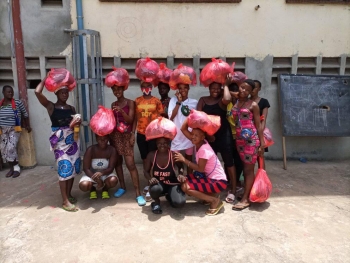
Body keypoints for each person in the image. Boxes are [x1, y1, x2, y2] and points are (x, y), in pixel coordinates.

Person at [35, 77, 81, 212]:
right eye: (62, 92)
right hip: (60, 143)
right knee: (63, 167)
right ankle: (65, 201)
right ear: (56, 93)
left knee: (72, 168)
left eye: (66, 92)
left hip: (72, 141)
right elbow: (37, 92)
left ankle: (69, 194)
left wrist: (76, 123)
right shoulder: (51, 106)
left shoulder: (71, 108)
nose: (65, 95)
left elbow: (74, 125)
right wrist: (45, 79)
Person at [174, 118, 228, 216]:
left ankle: (214, 200)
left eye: (196, 135)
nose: (193, 137)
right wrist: (190, 116)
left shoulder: (204, 150)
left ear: (203, 137)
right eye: (192, 134)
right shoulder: (199, 142)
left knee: (186, 187)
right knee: (185, 179)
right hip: (210, 178)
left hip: (218, 182)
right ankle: (209, 195)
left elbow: (200, 169)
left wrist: (184, 160)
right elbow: (183, 129)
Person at [197, 81, 237, 204]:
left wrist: (225, 84)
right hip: (209, 137)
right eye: (212, 88)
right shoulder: (203, 100)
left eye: (217, 88)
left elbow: (227, 97)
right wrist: (208, 134)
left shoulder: (223, 101)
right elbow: (198, 118)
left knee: (229, 162)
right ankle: (209, 190)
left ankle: (233, 190)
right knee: (208, 165)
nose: (215, 90)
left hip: (224, 136)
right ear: (209, 89)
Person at [230, 79, 265, 211]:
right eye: (242, 88)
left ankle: (246, 199)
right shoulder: (237, 101)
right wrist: (227, 84)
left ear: (251, 92)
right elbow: (228, 93)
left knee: (248, 170)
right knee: (245, 168)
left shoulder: (253, 105)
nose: (243, 91)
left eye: (247, 90)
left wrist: (262, 144)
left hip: (251, 140)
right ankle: (247, 193)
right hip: (239, 140)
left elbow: (258, 125)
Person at [109, 84, 146, 206]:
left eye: (119, 89)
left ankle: (138, 193)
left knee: (130, 164)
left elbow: (131, 120)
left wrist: (132, 135)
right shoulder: (113, 104)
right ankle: (122, 187)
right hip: (116, 136)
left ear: (123, 89)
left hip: (127, 135)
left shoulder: (130, 103)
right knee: (118, 162)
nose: (117, 91)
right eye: (114, 90)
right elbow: (113, 122)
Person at [134, 81, 163, 201]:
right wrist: (132, 133)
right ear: (141, 88)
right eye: (144, 87)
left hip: (153, 134)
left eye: (148, 86)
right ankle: (149, 181)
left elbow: (161, 116)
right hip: (141, 134)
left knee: (153, 159)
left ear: (152, 87)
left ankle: (154, 184)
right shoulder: (137, 101)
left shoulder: (156, 101)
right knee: (145, 158)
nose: (146, 88)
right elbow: (135, 118)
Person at [144, 137, 186, 214]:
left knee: (179, 203)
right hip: (159, 184)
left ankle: (169, 196)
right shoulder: (151, 155)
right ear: (156, 144)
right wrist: (150, 178)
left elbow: (181, 167)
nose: (162, 145)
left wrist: (180, 174)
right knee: (154, 189)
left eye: (165, 143)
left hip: (172, 183)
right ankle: (156, 203)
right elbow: (146, 171)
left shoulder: (173, 154)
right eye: (159, 143)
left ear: (169, 144)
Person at [0, 85, 31, 178]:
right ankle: (11, 169)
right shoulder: (0, 104)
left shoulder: (17, 103)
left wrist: (27, 125)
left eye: (11, 92)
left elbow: (25, 114)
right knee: (4, 149)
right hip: (3, 130)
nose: (10, 93)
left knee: (11, 148)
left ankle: (16, 168)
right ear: (3, 93)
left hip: (14, 129)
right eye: (8, 92)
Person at [168, 83, 198, 174]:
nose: (183, 90)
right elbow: (171, 117)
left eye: (185, 87)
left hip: (189, 136)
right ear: (177, 90)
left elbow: (196, 119)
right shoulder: (173, 100)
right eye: (180, 88)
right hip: (176, 135)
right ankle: (180, 174)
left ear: (188, 88)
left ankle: (190, 179)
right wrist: (178, 102)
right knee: (176, 159)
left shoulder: (194, 102)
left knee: (189, 159)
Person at [79, 134, 118, 199]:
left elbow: (111, 168)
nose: (103, 141)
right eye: (100, 139)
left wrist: (102, 173)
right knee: (84, 185)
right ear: (96, 139)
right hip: (91, 174)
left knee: (113, 181)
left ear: (108, 139)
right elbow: (86, 169)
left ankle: (105, 189)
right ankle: (92, 189)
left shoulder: (112, 150)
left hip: (105, 173)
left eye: (105, 139)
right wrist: (97, 180)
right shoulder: (91, 150)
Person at [226, 82, 244, 192]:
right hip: (229, 136)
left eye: (235, 90)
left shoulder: (241, 104)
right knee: (228, 159)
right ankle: (229, 180)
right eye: (231, 90)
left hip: (240, 137)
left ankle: (237, 181)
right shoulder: (226, 103)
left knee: (239, 160)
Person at [252, 80, 270, 169]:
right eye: (252, 86)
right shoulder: (245, 101)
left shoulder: (264, 102)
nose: (253, 89)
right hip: (247, 133)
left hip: (259, 131)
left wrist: (260, 135)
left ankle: (262, 178)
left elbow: (263, 120)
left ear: (259, 89)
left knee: (260, 156)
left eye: (255, 87)